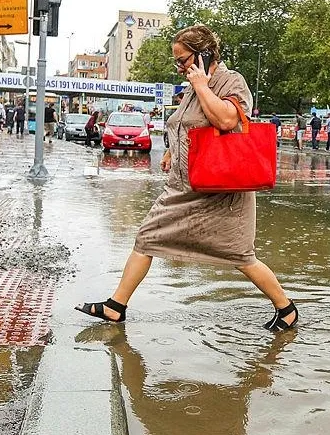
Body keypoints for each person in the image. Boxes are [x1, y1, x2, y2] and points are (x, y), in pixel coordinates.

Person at [76, 24, 297, 330]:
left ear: (204, 54)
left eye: (182, 60)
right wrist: (170, 152)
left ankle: (286, 308)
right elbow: (184, 125)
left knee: (240, 255)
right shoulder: (192, 86)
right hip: (183, 186)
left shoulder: (230, 81)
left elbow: (226, 119)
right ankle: (116, 306)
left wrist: (203, 85)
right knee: (146, 238)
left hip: (221, 190)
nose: (179, 67)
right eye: (176, 62)